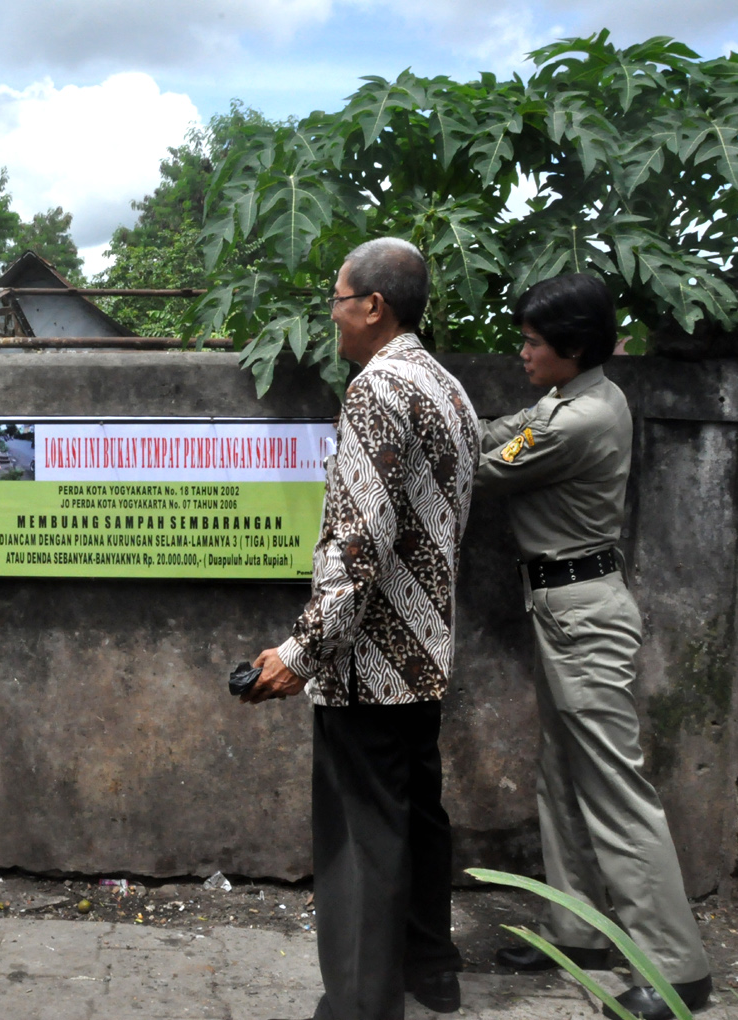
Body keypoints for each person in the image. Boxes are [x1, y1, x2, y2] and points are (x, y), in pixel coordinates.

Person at [243, 238, 480, 1020]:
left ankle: (357, 1006)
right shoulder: (446, 388)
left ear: (372, 305)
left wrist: (298, 654)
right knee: (414, 817)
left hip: (368, 663)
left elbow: (357, 542)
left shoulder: (377, 389)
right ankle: (428, 972)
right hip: (424, 653)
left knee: (360, 845)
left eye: (337, 299)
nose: (332, 315)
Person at [476, 274, 712, 1019]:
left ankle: (677, 969)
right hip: (558, 606)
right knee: (563, 778)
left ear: (571, 348)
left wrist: (418, 424)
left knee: (614, 791)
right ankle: (575, 932)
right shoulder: (568, 396)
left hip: (583, 615)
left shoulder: (576, 421)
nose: (522, 353)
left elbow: (479, 466)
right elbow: (501, 427)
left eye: (533, 343)